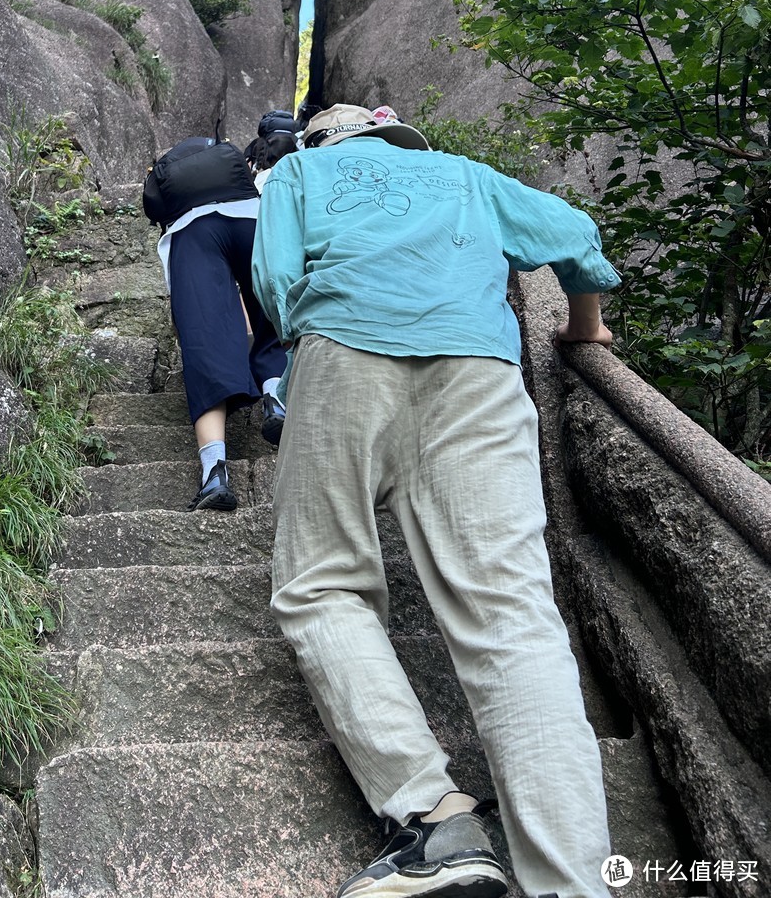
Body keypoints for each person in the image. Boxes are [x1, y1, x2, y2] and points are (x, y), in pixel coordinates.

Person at [251, 103, 619, 898]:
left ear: (323, 141)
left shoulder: (297, 172)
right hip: (480, 374)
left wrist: (315, 333)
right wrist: (583, 331)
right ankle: (575, 881)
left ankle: (438, 820)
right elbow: (574, 235)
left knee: (322, 585)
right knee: (512, 619)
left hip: (344, 353)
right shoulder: (464, 175)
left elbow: (275, 282)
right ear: (395, 138)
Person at [146, 129, 288, 512]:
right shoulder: (230, 167)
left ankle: (215, 473)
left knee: (204, 340)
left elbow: (189, 323)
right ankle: (276, 398)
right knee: (268, 316)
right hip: (250, 219)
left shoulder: (177, 195)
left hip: (192, 231)